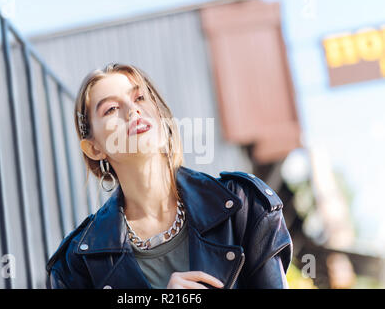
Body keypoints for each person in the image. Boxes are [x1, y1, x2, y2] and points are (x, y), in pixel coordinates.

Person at [45, 63, 292, 289]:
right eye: (111, 109)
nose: (133, 111)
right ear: (94, 148)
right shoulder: (76, 265)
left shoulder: (245, 206)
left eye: (140, 97)